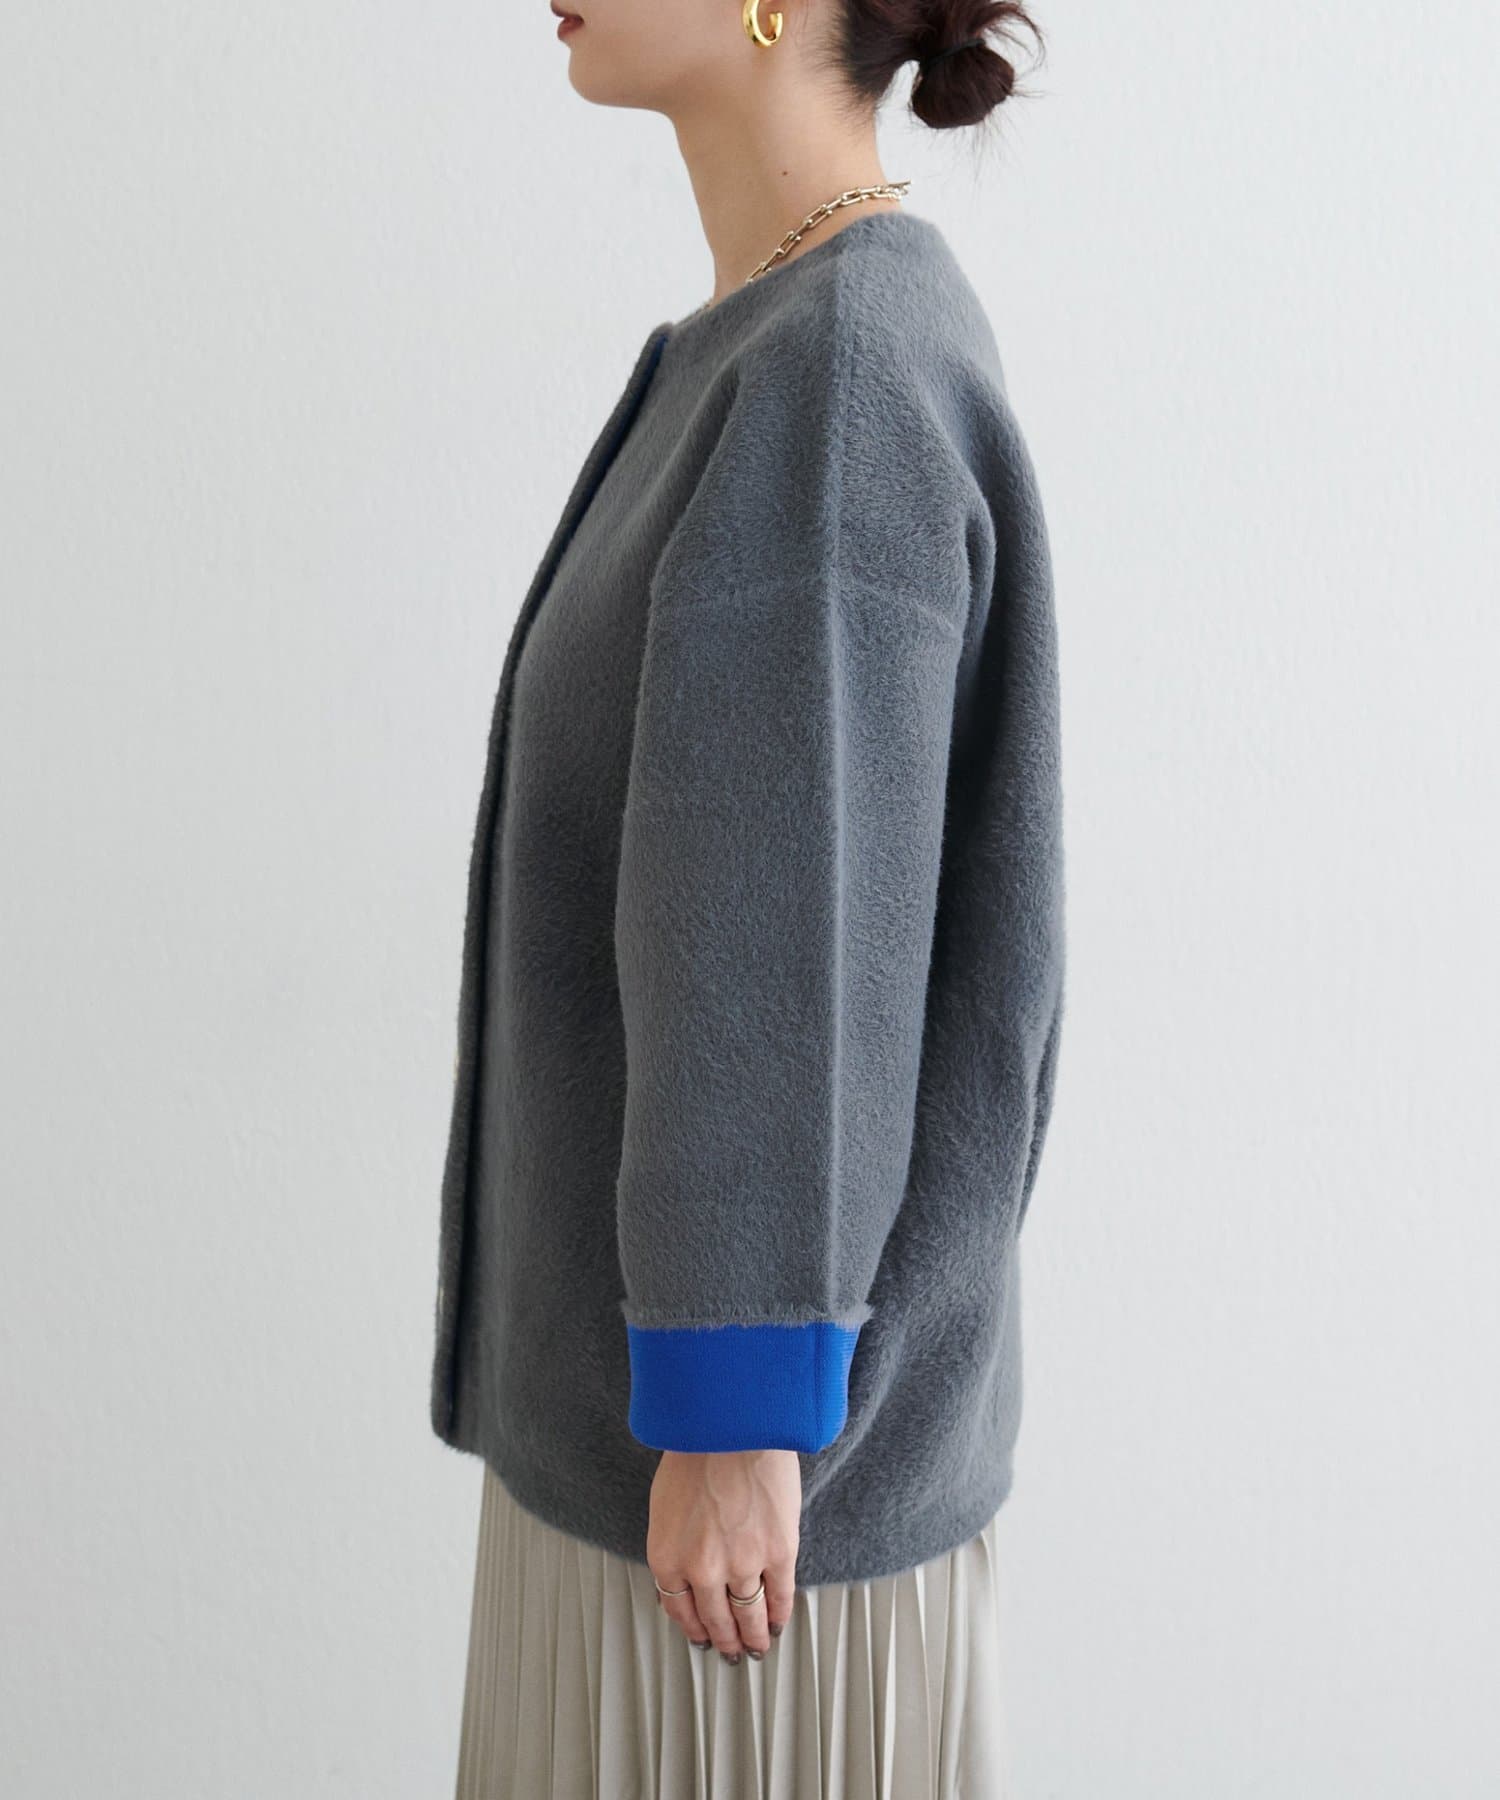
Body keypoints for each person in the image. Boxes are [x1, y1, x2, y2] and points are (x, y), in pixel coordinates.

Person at [432, 0, 1062, 1792]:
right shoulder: (778, 340)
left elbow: (789, 918)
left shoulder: (832, 368)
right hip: (687, 1479)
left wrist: (732, 1406)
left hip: (736, 1527)